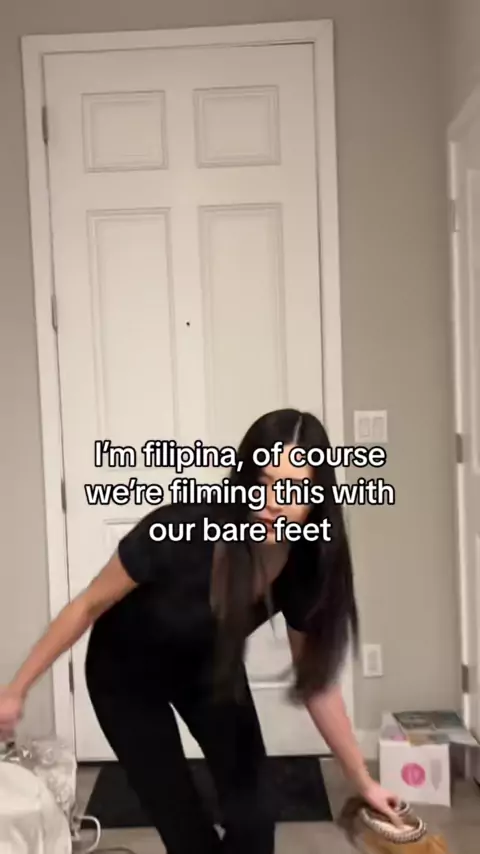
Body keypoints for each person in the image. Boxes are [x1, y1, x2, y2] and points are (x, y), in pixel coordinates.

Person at [0, 409, 401, 853]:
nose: (273, 502)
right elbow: (87, 605)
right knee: (186, 829)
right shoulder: (179, 530)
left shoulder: (304, 563)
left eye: (293, 489)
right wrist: (16, 690)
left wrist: (363, 780)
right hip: (125, 678)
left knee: (255, 814)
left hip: (210, 665)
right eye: (264, 483)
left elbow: (316, 684)